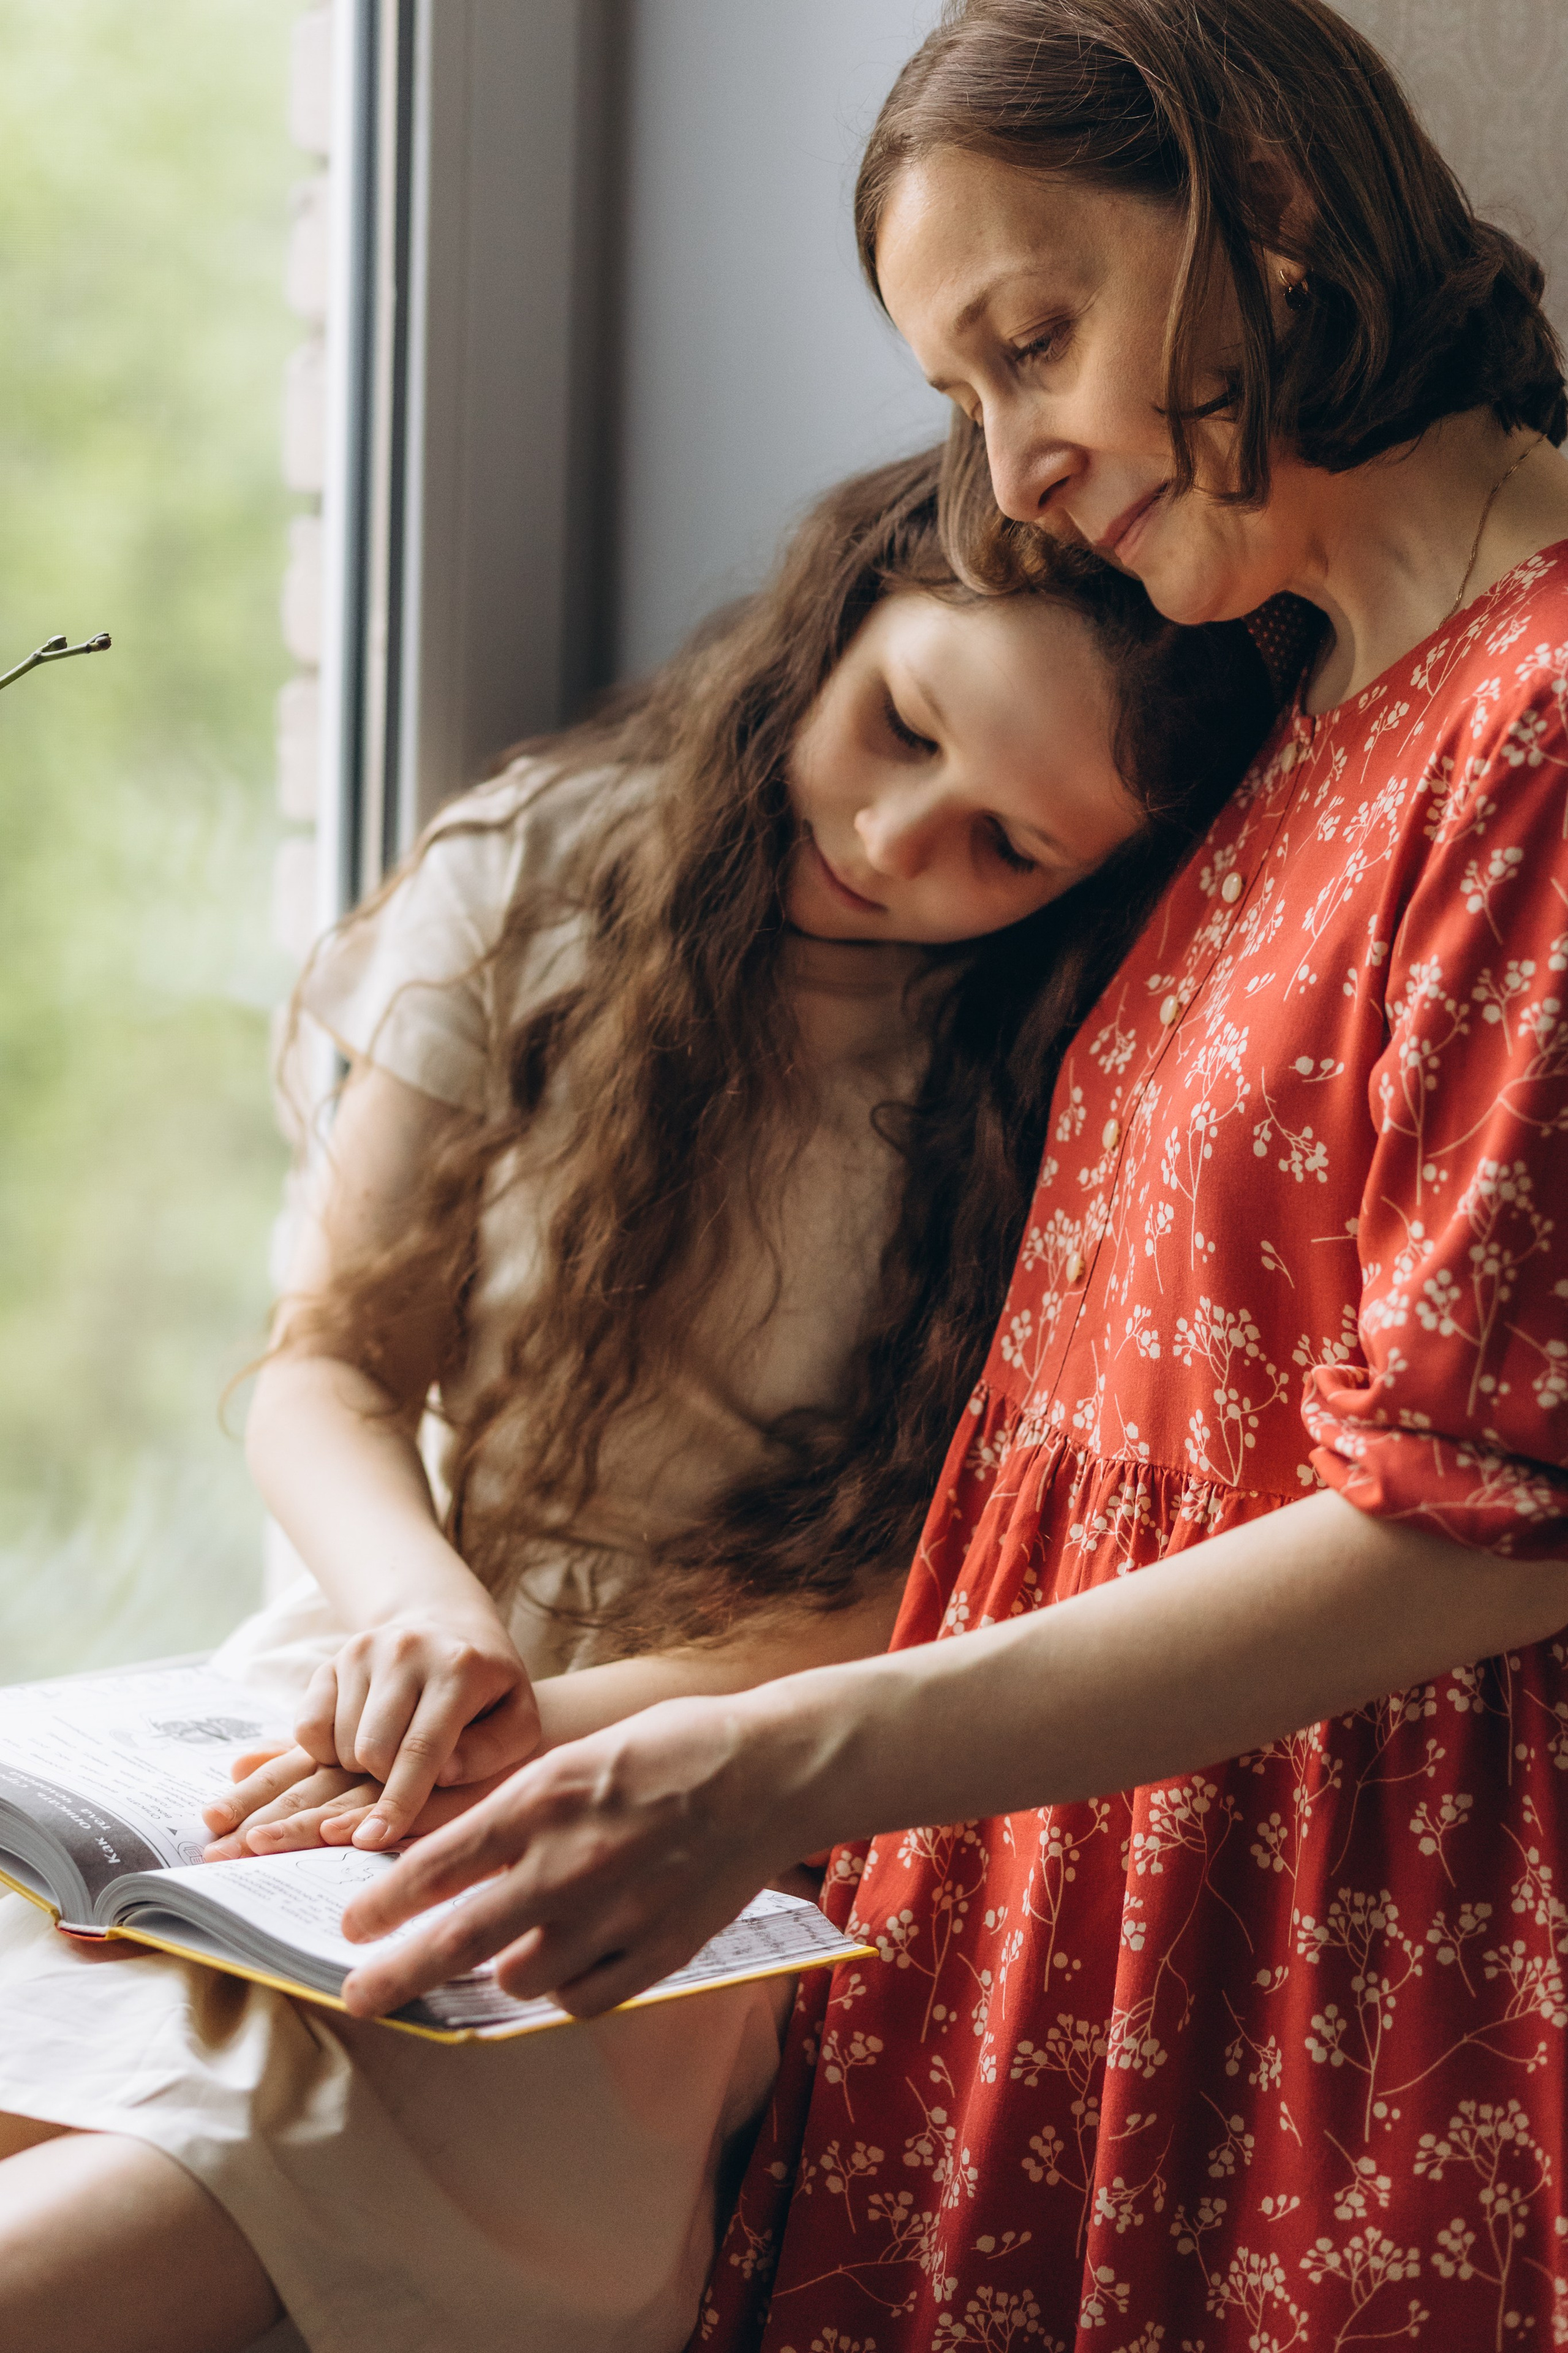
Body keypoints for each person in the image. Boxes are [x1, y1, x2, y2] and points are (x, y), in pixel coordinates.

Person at [328, 4, 1568, 2347]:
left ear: (1270, 224)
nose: (1003, 477)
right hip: (1065, 1925)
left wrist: (772, 1755)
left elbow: (1493, 1507)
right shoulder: (1310, 698)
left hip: (1325, 1979)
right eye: (954, 397)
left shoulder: (1542, 714)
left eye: (1035, 337)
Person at [0, 447, 1276, 2353]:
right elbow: (327, 1364)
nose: (901, 835)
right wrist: (429, 1623)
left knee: (264, 2121)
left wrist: (553, 1722)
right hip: (374, 1659)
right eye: (900, 726)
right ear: (835, 622)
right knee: (78, 1987)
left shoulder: (1062, 1077)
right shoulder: (534, 869)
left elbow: (947, 1592)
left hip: (712, 1770)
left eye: (1010, 847)